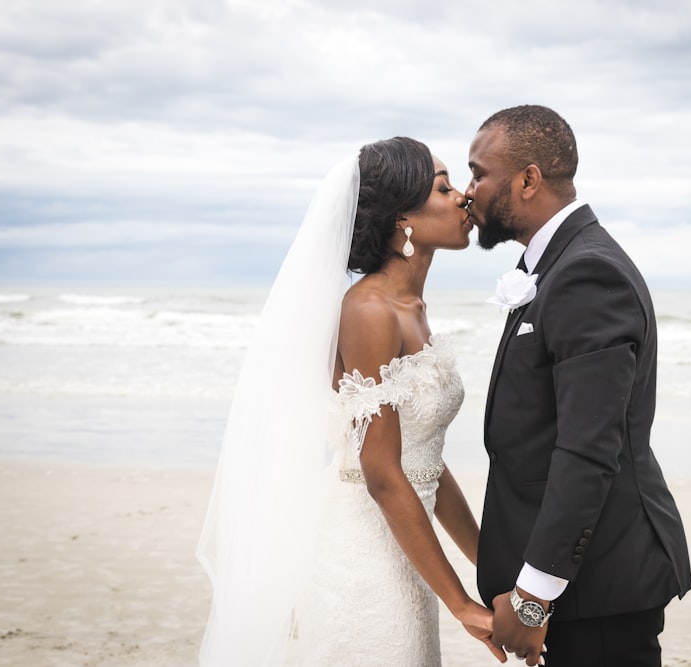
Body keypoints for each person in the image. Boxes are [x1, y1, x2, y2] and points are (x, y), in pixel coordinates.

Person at [197, 137, 506, 666]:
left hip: (406, 550)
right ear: (401, 219)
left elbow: (423, 461)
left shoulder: (411, 306)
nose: (462, 198)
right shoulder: (369, 310)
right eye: (443, 186)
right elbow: (380, 469)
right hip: (364, 562)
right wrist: (461, 605)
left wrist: (492, 569)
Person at [466, 105, 691, 666]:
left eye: (478, 173)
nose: (469, 191)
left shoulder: (587, 274)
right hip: (581, 584)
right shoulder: (557, 264)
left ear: (527, 180)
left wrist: (534, 599)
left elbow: (589, 449)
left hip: (599, 589)